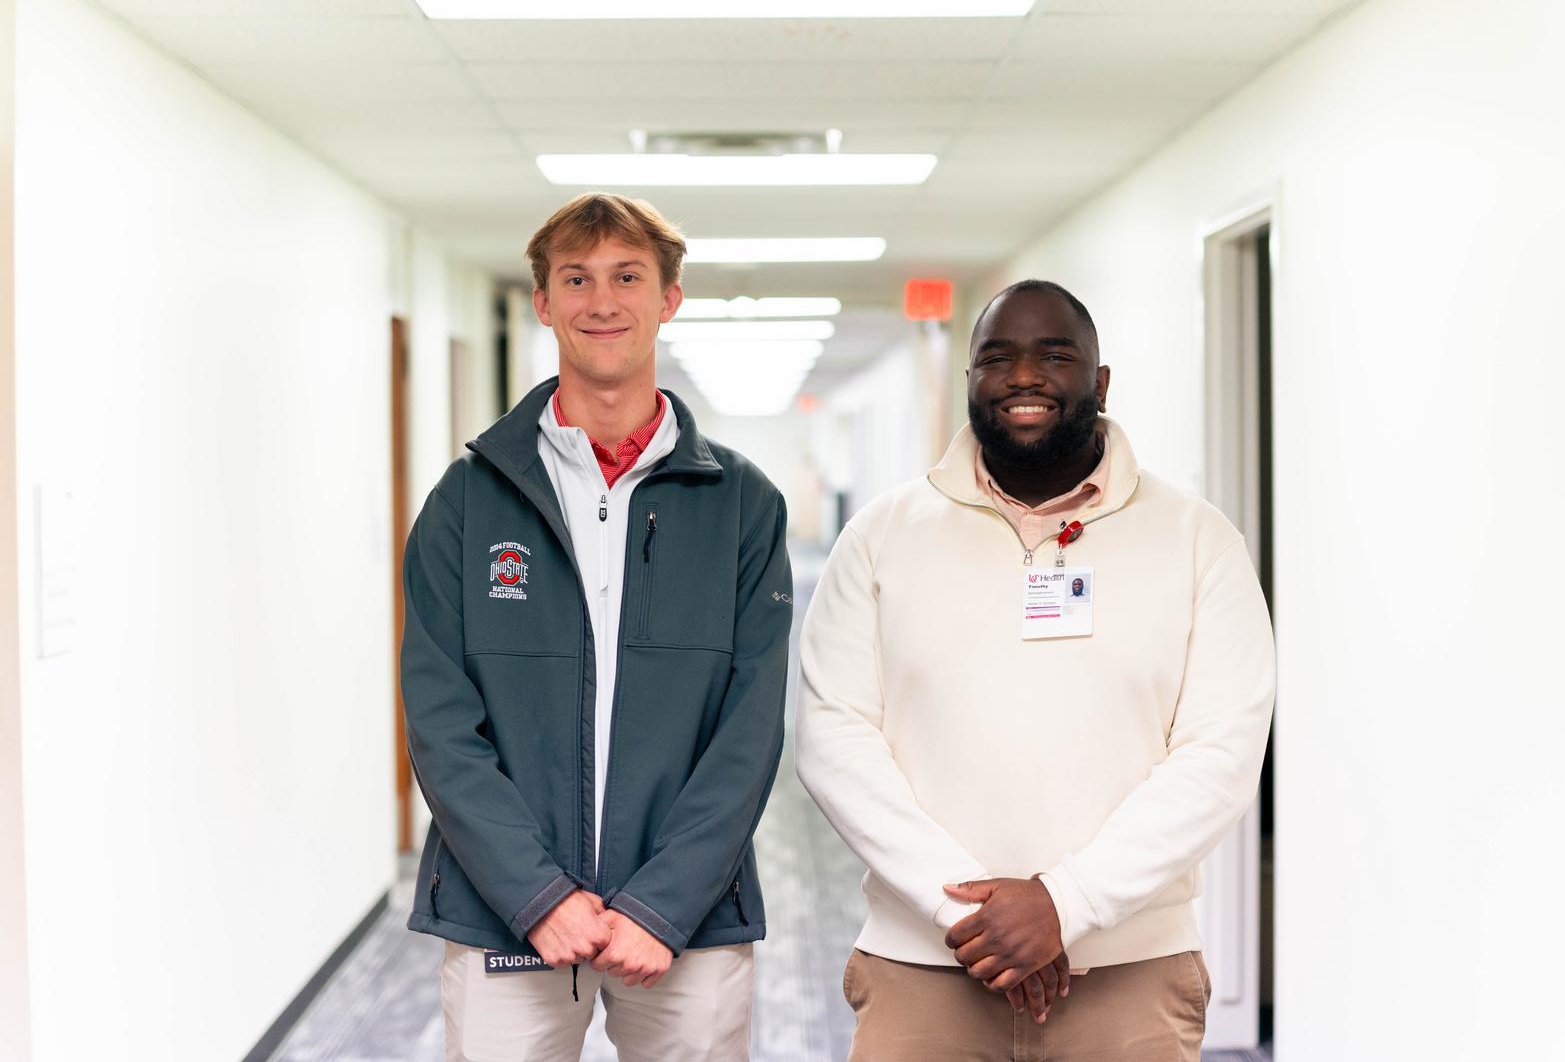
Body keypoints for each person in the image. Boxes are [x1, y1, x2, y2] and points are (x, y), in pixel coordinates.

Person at [796, 279, 1275, 1060]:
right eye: (997, 358)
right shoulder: (882, 535)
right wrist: (972, 916)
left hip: (1128, 971)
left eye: (1053, 355)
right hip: (925, 966)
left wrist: (1066, 904)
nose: (1023, 377)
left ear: (1100, 380)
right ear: (970, 382)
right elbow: (833, 736)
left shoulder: (1196, 539)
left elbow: (1219, 752)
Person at [400, 192, 793, 1061]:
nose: (602, 301)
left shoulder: (741, 505)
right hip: (504, 910)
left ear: (669, 299)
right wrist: (536, 896)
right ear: (543, 303)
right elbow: (438, 721)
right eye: (575, 279)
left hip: (686, 921)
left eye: (627, 277)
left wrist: (663, 904)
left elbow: (751, 725)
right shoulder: (466, 503)